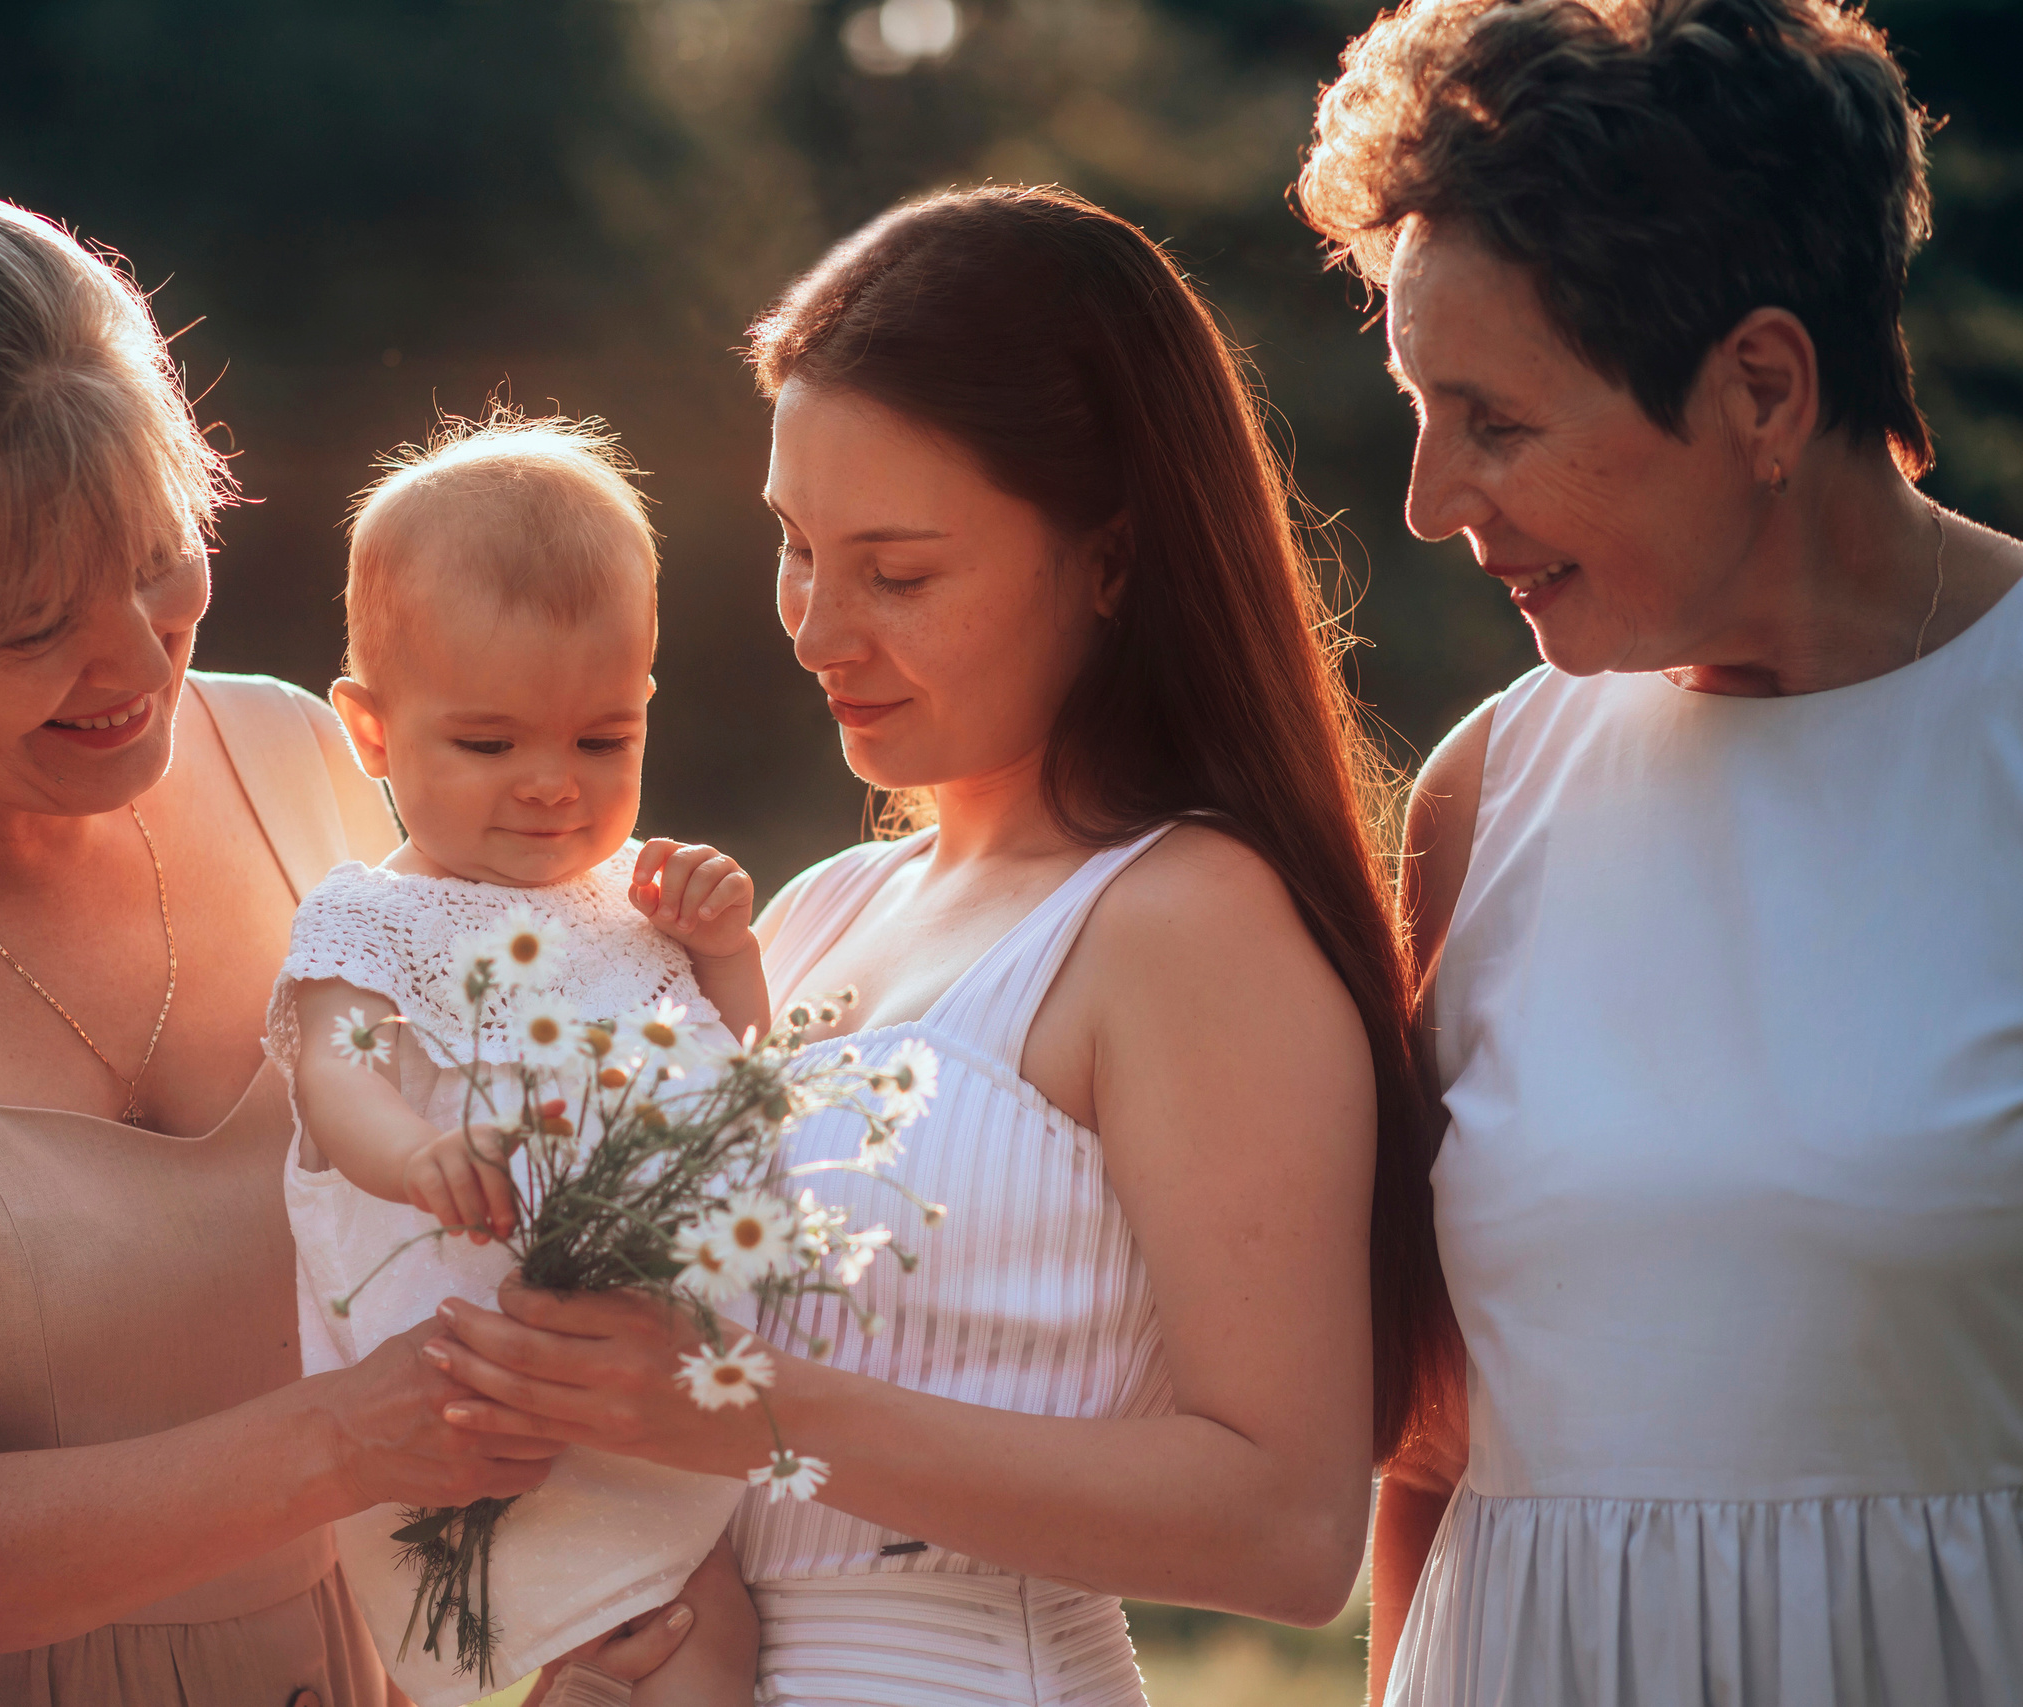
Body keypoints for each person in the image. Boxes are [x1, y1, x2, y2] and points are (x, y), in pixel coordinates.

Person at [0, 180, 689, 1705]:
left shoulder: (310, 759)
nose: (134, 656)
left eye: (158, 555)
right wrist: (345, 1441)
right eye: (34, 622)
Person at [416, 184, 1460, 1707]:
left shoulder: (1184, 921)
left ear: (1109, 561)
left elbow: (1291, 1533)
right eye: (795, 546)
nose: (816, 627)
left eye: (898, 573)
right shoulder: (820, 909)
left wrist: (742, 1409)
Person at [1295, 1, 2023, 1700]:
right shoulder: (1485, 796)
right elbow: (1430, 1445)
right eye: (1417, 405)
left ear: (1763, 385)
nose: (1423, 498)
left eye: (1493, 419)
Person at [273, 411, 763, 1705]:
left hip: (650, 1382)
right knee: (647, 1634)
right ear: (372, 735)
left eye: (602, 740)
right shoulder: (371, 921)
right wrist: (420, 1153)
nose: (553, 785)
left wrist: (723, 955)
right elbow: (332, 1077)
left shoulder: (628, 912)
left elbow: (740, 1083)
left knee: (709, 1633)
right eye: (490, 744)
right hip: (471, 1403)